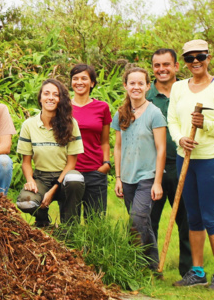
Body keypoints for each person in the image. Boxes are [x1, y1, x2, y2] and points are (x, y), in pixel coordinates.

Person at [168, 40, 214, 289]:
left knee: (210, 216)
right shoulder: (178, 88)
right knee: (193, 217)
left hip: (211, 160)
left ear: (208, 57)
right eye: (189, 58)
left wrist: (205, 124)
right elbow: (173, 120)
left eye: (200, 56)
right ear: (184, 62)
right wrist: (181, 138)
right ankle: (197, 272)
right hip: (185, 158)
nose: (195, 61)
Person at [112, 67, 166, 273]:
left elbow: (161, 149)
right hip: (127, 177)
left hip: (148, 176)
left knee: (137, 219)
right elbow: (118, 146)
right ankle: (152, 266)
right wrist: (118, 177)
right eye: (132, 83)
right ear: (125, 86)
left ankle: (135, 263)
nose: (136, 87)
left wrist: (157, 182)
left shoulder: (155, 113)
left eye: (140, 83)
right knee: (142, 222)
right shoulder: (121, 113)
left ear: (147, 86)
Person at [146, 48, 193, 277]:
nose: (162, 69)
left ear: (176, 66)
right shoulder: (145, 95)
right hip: (152, 168)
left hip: (183, 164)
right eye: (157, 65)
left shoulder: (188, 92)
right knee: (148, 219)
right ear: (152, 68)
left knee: (186, 220)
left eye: (166, 64)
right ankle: (150, 267)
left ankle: (189, 271)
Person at [15, 79, 86, 227]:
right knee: (25, 202)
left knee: (75, 180)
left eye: (55, 94)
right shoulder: (29, 125)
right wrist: (30, 180)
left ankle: (69, 229)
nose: (50, 97)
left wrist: (54, 189)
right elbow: (26, 162)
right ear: (40, 98)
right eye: (46, 93)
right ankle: (42, 220)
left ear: (60, 100)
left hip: (64, 176)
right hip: (41, 176)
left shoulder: (71, 124)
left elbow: (72, 163)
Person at [69, 63, 113, 218]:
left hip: (95, 172)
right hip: (70, 171)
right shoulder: (63, 107)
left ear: (92, 83)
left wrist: (106, 164)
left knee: (95, 223)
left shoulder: (102, 107)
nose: (79, 82)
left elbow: (105, 141)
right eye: (75, 78)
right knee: (69, 224)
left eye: (84, 78)